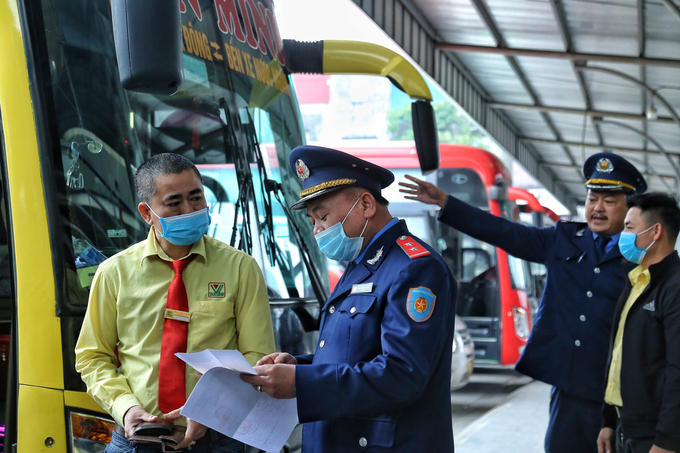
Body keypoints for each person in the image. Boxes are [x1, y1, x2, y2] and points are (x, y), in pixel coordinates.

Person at [399, 152, 647, 453]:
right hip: (568, 385)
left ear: (629, 207)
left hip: (613, 390)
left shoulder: (639, 256)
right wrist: (446, 203)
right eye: (593, 198)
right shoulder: (564, 239)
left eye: (609, 202)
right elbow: (505, 232)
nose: (597, 208)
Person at [241, 145, 458, 452]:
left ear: (366, 204)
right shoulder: (362, 265)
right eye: (313, 222)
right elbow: (353, 354)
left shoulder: (415, 268)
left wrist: (302, 384)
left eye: (323, 217)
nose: (317, 231)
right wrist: (300, 367)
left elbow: (401, 374)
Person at [75, 153, 275, 452]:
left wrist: (210, 410)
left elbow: (257, 357)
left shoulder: (240, 268)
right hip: (134, 440)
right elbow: (92, 356)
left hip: (216, 440)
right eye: (174, 203)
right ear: (147, 213)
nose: (189, 209)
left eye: (196, 198)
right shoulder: (114, 273)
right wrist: (126, 408)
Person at [597, 193, 680, 453]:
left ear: (655, 231)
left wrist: (667, 441)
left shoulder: (675, 288)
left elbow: (678, 370)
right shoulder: (636, 280)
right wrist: (609, 421)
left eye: (629, 228)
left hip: (654, 438)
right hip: (626, 429)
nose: (624, 235)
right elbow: (619, 354)